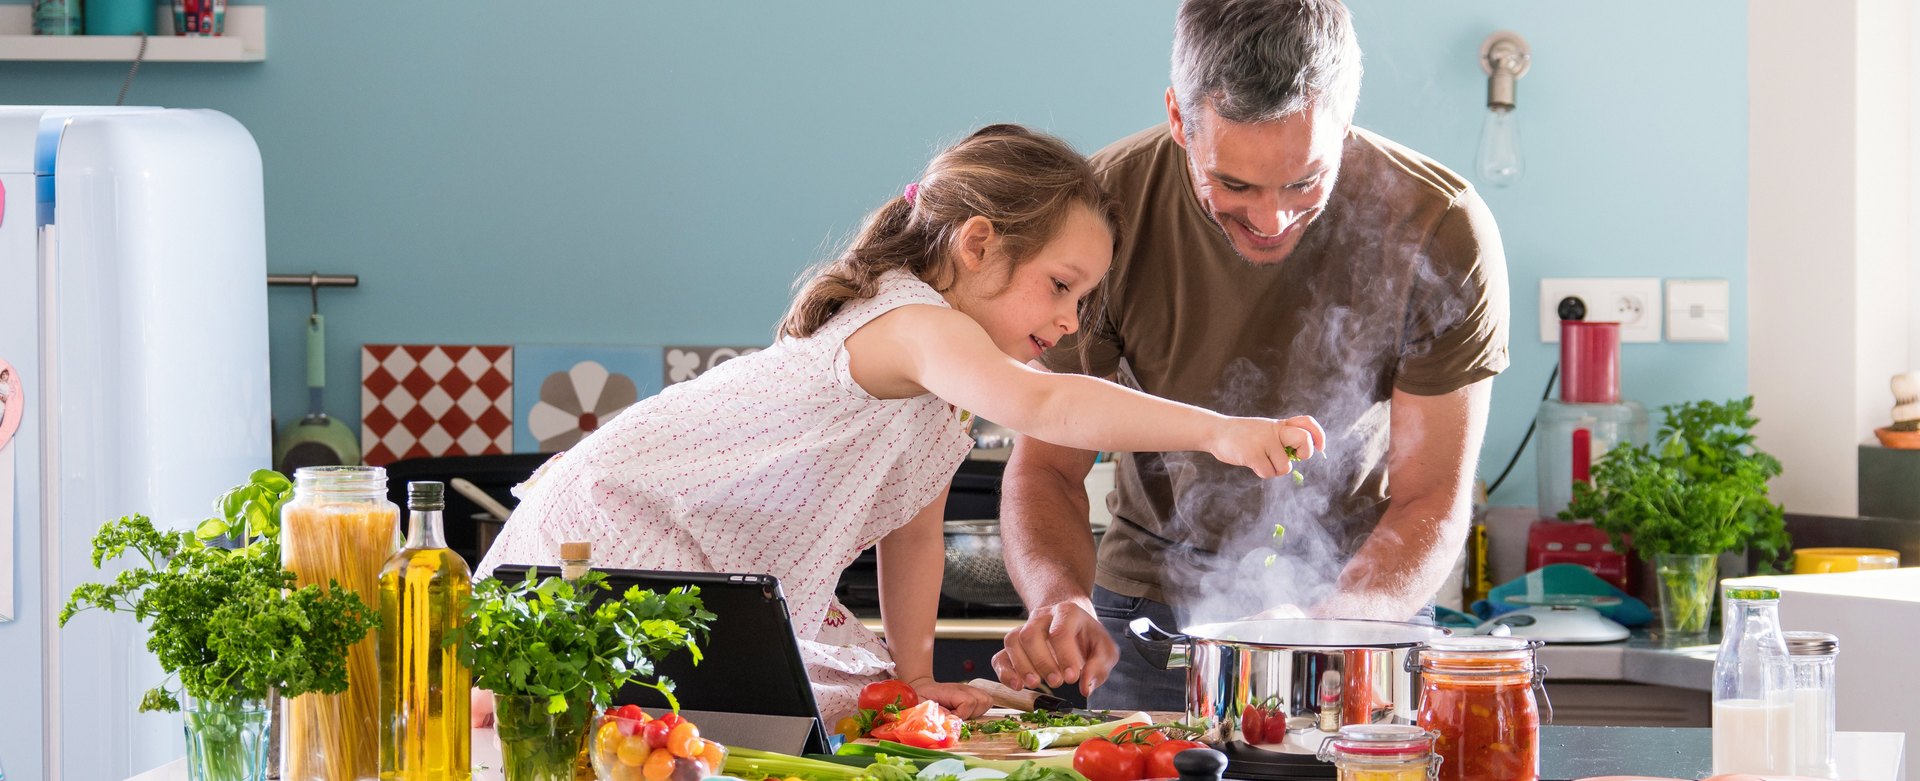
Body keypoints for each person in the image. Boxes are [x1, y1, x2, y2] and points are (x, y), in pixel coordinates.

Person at [473, 124, 1326, 723]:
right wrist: (1222, 431)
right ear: (979, 243)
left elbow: (911, 538)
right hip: (621, 523)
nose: (1071, 321)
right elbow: (1046, 404)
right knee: (604, 721)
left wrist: (916, 674)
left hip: (695, 558)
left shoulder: (940, 392)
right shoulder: (915, 323)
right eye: (1062, 285)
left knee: (809, 709)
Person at [992, 0, 1510, 711]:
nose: (1272, 219)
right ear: (1179, 118)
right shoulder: (1101, 215)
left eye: (1305, 182)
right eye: (1233, 185)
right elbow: (1047, 466)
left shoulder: (1440, 228)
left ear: (1345, 121)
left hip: (1360, 610)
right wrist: (1056, 599)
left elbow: (1432, 498)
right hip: (1145, 619)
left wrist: (1333, 625)